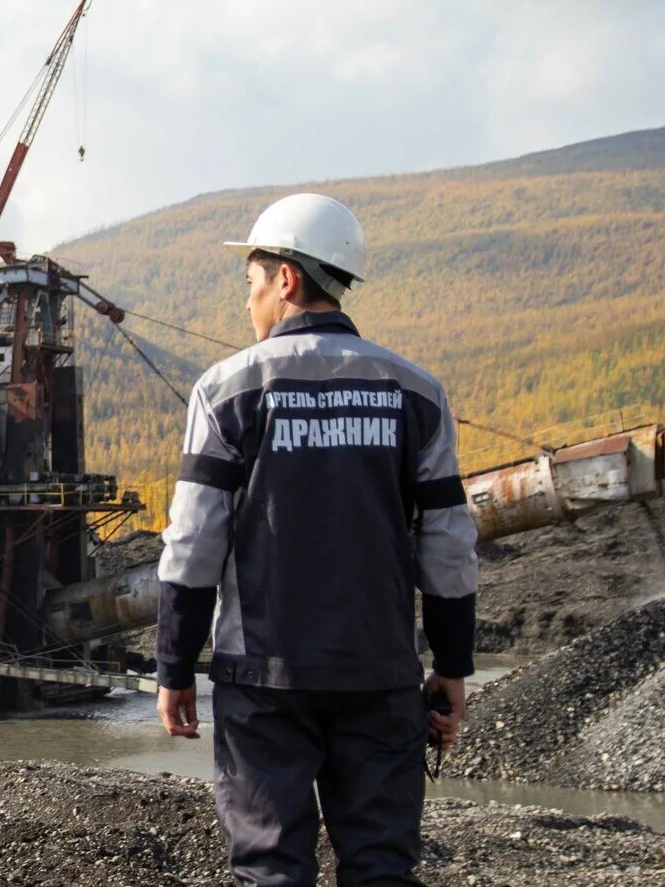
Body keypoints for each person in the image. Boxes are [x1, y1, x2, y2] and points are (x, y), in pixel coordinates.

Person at [154, 193, 478, 886]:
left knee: (270, 868)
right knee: (383, 868)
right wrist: (451, 663)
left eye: (251, 283)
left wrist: (175, 665)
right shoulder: (416, 391)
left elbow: (192, 542)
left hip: (264, 680)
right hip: (380, 674)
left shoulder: (227, 389)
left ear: (288, 279)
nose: (250, 302)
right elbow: (449, 542)